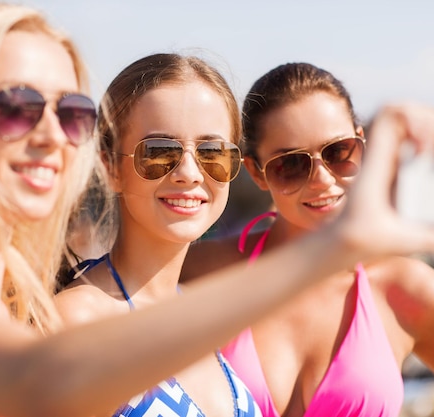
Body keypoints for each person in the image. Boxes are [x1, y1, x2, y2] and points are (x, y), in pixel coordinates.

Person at [0, 2, 434, 416]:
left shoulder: (19, 302)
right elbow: (37, 381)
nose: (47, 134)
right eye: (13, 106)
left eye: (68, 113)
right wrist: (330, 248)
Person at [180, 62, 434, 417]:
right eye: (291, 164)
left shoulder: (414, 292)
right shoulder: (200, 271)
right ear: (257, 173)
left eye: (339, 152)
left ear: (363, 146)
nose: (321, 178)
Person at [55, 52, 261, 417]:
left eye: (212, 152)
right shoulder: (80, 323)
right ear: (110, 166)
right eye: (159, 152)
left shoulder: (201, 317)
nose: (189, 173)